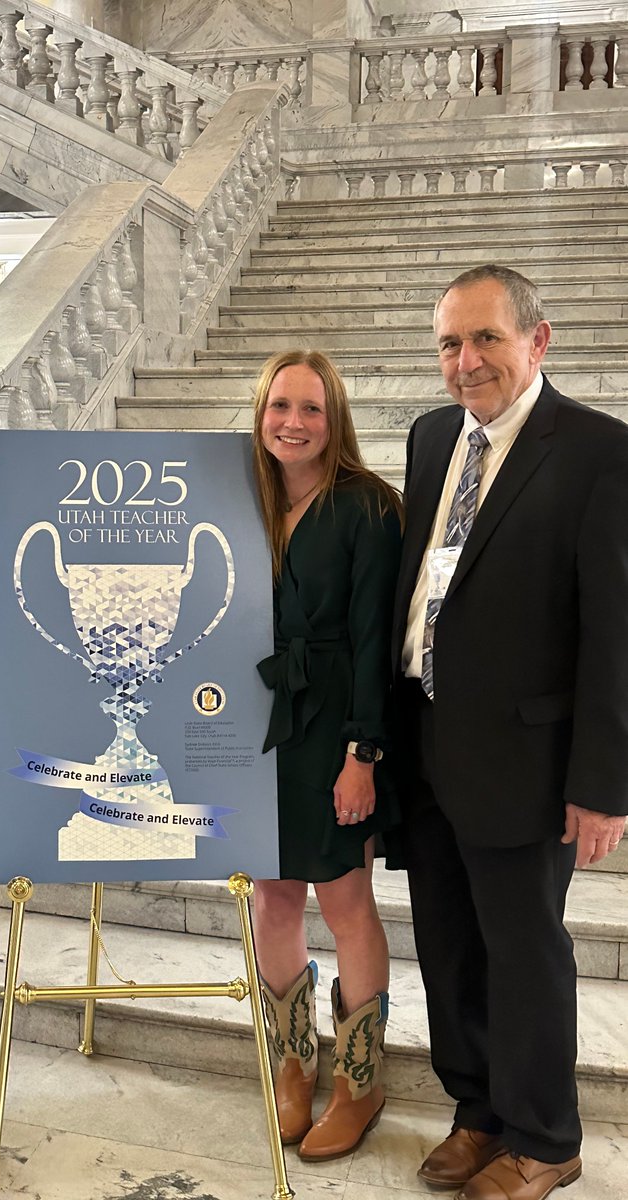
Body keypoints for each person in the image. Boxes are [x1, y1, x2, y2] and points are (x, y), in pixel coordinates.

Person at [392, 264, 628, 1200]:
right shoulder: (428, 438)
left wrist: (606, 782)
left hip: (529, 758)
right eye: (451, 343)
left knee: (524, 950)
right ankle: (478, 1111)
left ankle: (545, 1136)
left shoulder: (599, 453)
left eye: (486, 337)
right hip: (429, 742)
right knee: (448, 942)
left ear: (539, 340)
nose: (467, 360)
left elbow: (616, 630)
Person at [251, 349, 402, 1160]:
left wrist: (363, 754)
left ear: (334, 416)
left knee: (345, 906)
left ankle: (360, 1079)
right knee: (273, 898)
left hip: (336, 727)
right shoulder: (244, 498)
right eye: (281, 406)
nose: (294, 423)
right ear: (261, 412)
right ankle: (292, 1065)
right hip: (255, 725)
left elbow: (378, 641)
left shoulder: (370, 508)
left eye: (310, 408)